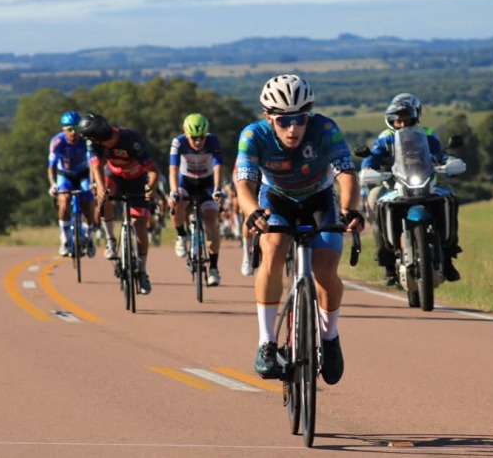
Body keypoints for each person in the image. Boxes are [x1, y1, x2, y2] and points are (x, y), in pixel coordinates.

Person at [235, 74, 364, 385]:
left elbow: (346, 173)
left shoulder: (325, 128)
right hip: (276, 198)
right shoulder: (253, 135)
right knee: (274, 247)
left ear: (310, 114)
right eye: (283, 121)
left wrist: (349, 209)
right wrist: (253, 213)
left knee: (325, 270)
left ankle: (330, 337)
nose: (293, 128)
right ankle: (267, 342)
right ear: (268, 117)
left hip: (319, 197)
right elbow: (244, 184)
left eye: (300, 119)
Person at [359, 92, 462, 283]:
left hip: (427, 185)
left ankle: (448, 256)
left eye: (406, 119)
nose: (401, 124)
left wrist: (449, 162)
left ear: (416, 116)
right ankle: (386, 262)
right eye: (397, 120)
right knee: (374, 201)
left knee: (450, 198)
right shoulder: (386, 138)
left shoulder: (428, 135)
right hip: (393, 188)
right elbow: (372, 156)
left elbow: (440, 154)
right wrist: (367, 166)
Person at [78, 113, 159, 295]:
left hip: (137, 179)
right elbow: (97, 166)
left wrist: (150, 187)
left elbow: (154, 171)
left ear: (99, 137)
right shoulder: (94, 144)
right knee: (104, 193)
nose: (89, 141)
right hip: (114, 176)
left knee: (140, 227)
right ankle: (111, 240)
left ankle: (143, 272)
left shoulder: (131, 139)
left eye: (90, 138)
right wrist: (100, 188)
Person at [168, 113, 225, 287]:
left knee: (211, 220)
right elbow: (173, 169)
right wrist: (173, 191)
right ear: (186, 133)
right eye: (194, 138)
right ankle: (181, 236)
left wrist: (217, 190)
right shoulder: (178, 142)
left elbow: (218, 168)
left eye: (201, 138)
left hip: (207, 184)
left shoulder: (213, 141)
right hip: (186, 181)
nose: (198, 142)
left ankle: (214, 268)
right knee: (177, 204)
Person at [48, 110, 96, 257]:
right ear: (64, 130)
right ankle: (65, 239)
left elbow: (93, 164)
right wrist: (53, 184)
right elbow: (51, 167)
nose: (73, 133)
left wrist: (93, 183)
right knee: (64, 201)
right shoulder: (57, 142)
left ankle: (89, 235)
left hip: (83, 174)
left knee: (88, 202)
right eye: (70, 129)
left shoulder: (87, 141)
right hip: (65, 175)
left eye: (76, 129)